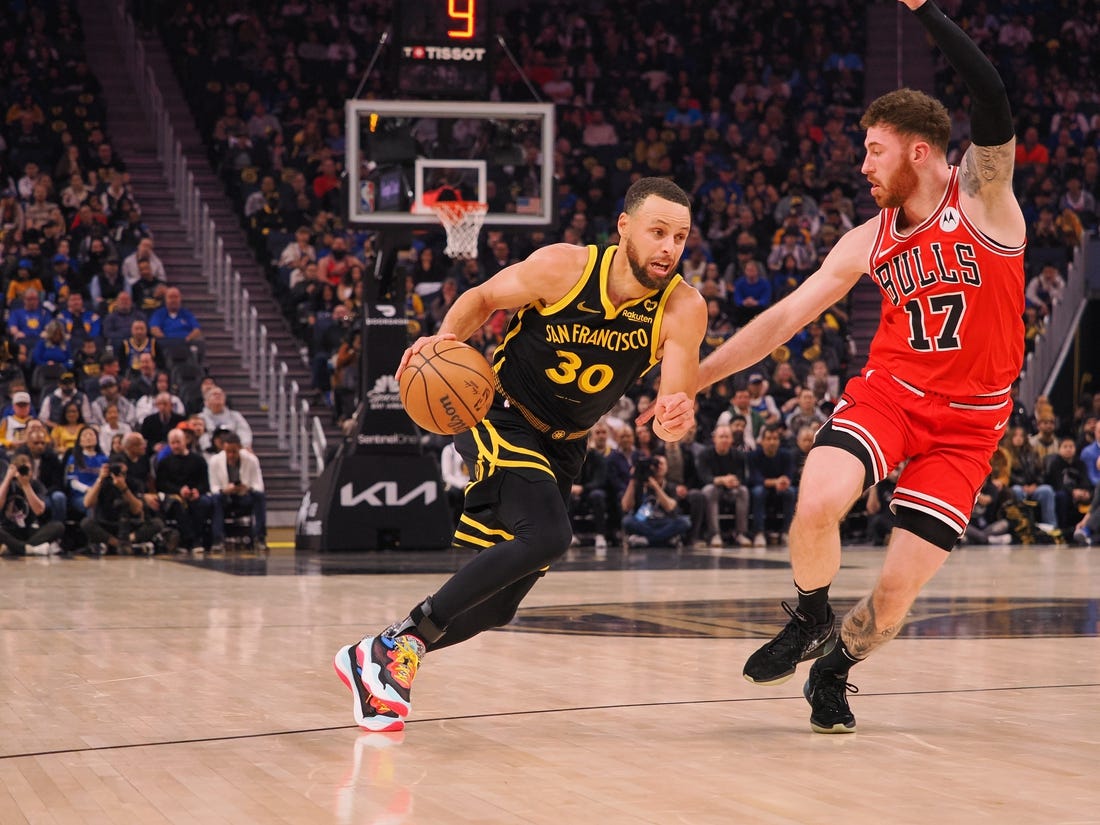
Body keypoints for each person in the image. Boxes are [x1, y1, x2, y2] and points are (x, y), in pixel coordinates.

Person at [665, 0, 1026, 733]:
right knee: (816, 500)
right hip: (889, 395)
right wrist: (691, 380)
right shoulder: (868, 237)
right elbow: (782, 319)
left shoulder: (985, 196)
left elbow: (990, 94)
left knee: (895, 596)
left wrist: (925, 11)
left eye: (873, 149)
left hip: (970, 426)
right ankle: (808, 614)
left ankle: (834, 668)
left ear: (919, 151)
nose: (861, 164)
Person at [334, 177, 706, 732]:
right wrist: (441, 345)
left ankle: (383, 651)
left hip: (565, 444)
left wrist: (678, 422)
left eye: (679, 237)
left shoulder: (682, 308)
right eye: (657, 232)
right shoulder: (565, 267)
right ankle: (397, 646)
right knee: (550, 536)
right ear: (625, 227)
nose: (669, 248)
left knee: (501, 606)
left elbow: (675, 404)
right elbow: (481, 298)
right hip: (498, 413)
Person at [207, 431, 267, 550]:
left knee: (259, 496)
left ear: (240, 448)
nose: (231, 455)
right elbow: (213, 487)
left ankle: (260, 537)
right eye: (228, 451)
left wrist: (247, 487)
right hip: (225, 496)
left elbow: (259, 485)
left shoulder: (251, 460)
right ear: (223, 449)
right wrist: (225, 490)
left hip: (244, 495)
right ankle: (218, 540)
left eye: (234, 451)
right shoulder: (214, 461)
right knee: (216, 499)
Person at [620, 453, 693, 548]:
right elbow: (625, 507)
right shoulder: (640, 485)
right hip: (644, 522)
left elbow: (670, 507)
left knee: (685, 522)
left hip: (664, 522)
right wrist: (633, 479)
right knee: (627, 521)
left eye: (662, 464)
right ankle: (664, 540)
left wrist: (655, 486)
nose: (658, 467)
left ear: (667, 468)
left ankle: (646, 540)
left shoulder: (671, 486)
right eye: (655, 464)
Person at [0, 454, 65, 556]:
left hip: (30, 529)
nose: (24, 472)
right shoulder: (6, 484)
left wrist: (26, 486)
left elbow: (39, 510)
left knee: (58, 526)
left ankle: (15, 548)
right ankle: (31, 549)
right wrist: (8, 478)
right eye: (21, 469)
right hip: (9, 529)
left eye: (27, 469)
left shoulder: (36, 485)